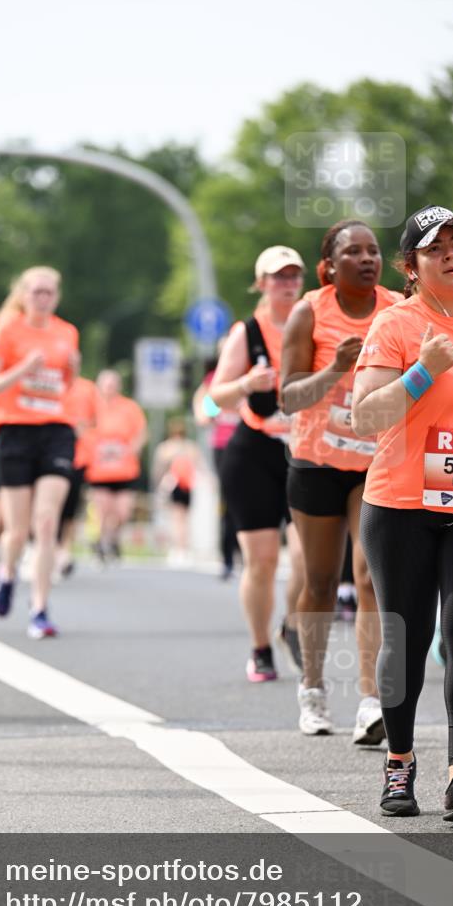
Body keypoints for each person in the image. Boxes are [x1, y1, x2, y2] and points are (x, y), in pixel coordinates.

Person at [352, 205, 453, 821]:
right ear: (412, 267)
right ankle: (399, 764)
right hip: (401, 501)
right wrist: (425, 370)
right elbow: (365, 416)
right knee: (407, 641)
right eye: (437, 248)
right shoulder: (396, 325)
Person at [280, 220, 401, 740]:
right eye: (354, 252)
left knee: (370, 575)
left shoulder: (398, 309)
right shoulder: (309, 311)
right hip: (318, 462)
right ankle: (312, 689)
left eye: (373, 250)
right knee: (322, 582)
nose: (368, 259)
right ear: (329, 266)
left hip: (376, 460)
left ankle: (371, 701)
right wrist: (334, 370)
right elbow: (287, 398)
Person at [210, 246, 306, 682]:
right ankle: (260, 645)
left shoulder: (316, 321)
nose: (286, 283)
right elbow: (218, 395)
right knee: (262, 560)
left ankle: (291, 625)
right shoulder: (246, 331)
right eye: (277, 276)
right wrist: (247, 382)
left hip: (306, 452)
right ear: (261, 283)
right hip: (255, 452)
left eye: (293, 275)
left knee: (311, 561)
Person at [0, 266, 79, 639]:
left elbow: (62, 386)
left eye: (49, 292)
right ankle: (6, 574)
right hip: (14, 432)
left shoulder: (67, 332)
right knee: (17, 531)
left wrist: (73, 371)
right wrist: (22, 368)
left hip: (56, 430)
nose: (43, 298)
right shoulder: (7, 329)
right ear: (23, 294)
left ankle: (39, 608)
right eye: (36, 292)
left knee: (47, 521)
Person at [85, 370, 148, 562]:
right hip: (99, 470)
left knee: (123, 511)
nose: (109, 389)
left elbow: (142, 432)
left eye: (112, 385)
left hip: (124, 469)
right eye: (105, 385)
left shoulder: (130, 408)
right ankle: (102, 542)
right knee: (103, 509)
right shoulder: (91, 408)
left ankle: (113, 539)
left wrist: (132, 449)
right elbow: (82, 430)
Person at [192, 340, 240, 579]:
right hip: (223, 445)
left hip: (252, 445)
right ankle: (228, 557)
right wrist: (210, 402)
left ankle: (243, 552)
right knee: (228, 502)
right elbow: (206, 415)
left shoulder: (252, 375)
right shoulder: (214, 380)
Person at [56, 374, 99, 577]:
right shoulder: (50, 381)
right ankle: (48, 549)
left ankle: (65, 550)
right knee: (51, 507)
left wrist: (83, 427)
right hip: (52, 453)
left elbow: (95, 419)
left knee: (70, 510)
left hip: (78, 457)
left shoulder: (87, 388)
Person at [152, 417, 204, 563]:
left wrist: (158, 486)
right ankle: (183, 548)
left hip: (174, 485)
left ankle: (178, 548)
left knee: (177, 518)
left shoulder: (166, 448)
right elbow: (199, 466)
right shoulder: (190, 447)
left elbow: (159, 469)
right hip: (187, 486)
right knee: (185, 519)